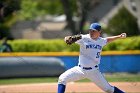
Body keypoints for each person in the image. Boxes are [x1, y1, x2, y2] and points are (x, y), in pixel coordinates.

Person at [57, 23, 126, 93]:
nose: (91, 32)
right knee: (62, 79)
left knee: (109, 89)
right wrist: (67, 39)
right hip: (80, 70)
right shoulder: (83, 38)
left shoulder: (101, 41)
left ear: (99, 32)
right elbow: (68, 39)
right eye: (90, 30)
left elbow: (108, 40)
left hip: (94, 71)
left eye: (94, 31)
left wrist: (119, 36)